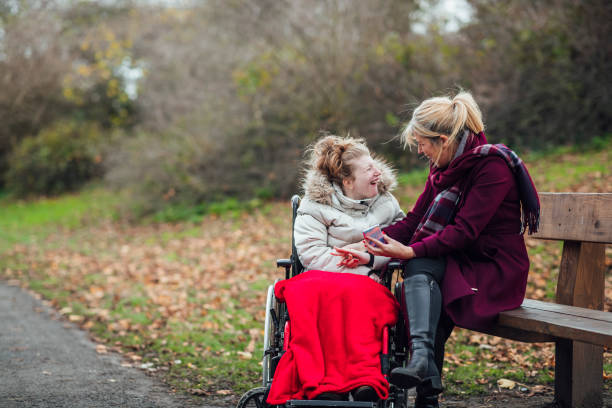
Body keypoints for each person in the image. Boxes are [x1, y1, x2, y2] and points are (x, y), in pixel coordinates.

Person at [334, 91, 539, 408]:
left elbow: (465, 232)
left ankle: (426, 385)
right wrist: (365, 246)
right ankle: (424, 372)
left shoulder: (492, 168)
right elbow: (414, 221)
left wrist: (411, 252)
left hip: (493, 268)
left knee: (422, 268)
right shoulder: (445, 166)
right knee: (424, 272)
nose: (420, 150)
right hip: (460, 260)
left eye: (422, 143)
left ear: (443, 140)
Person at [265, 135, 405, 404]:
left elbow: (399, 242)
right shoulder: (315, 205)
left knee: (362, 295)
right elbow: (311, 253)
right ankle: (317, 380)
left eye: (374, 165)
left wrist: (367, 260)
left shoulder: (387, 204)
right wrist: (352, 267)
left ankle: (364, 378)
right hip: (322, 274)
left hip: (367, 275)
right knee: (315, 295)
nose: (377, 172)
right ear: (348, 181)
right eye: (368, 170)